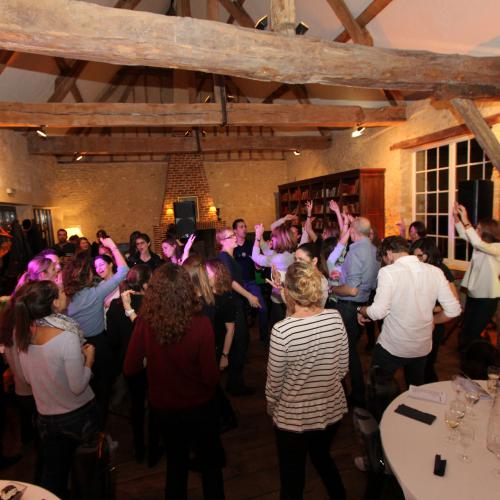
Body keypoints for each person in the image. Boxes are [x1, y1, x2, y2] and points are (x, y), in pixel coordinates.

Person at [124, 264, 225, 500]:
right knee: (210, 467)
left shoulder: (145, 323)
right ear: (187, 290)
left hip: (164, 407)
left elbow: (130, 367)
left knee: (176, 467)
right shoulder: (201, 324)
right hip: (200, 406)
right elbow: (211, 377)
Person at [266, 261, 348, 500]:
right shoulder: (335, 317)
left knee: (292, 478)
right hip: (331, 410)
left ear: (289, 292)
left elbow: (274, 384)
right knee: (322, 458)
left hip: (293, 418)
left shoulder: (282, 331)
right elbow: (342, 368)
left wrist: (272, 406)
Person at [13, 280, 99, 499]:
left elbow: (28, 378)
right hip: (77, 416)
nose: (65, 293)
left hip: (45, 417)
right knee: (86, 473)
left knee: (54, 477)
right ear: (53, 302)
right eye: (60, 291)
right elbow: (77, 386)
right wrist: (89, 359)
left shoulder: (23, 334)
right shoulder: (66, 336)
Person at [357, 236, 461, 387]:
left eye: (384, 259)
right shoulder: (436, 271)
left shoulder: (388, 272)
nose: (385, 263)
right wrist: (433, 320)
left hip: (393, 346)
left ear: (389, 253)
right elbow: (453, 310)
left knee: (379, 390)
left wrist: (361, 309)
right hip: (421, 347)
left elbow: (378, 312)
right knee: (415, 391)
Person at [63, 237, 128, 425]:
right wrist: (112, 246)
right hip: (99, 345)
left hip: (76, 346)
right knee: (103, 387)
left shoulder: (66, 297)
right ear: (87, 276)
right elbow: (123, 270)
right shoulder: (95, 293)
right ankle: (100, 426)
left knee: (86, 387)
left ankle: (89, 424)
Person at [106, 264, 156, 464]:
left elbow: (112, 341)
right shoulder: (153, 305)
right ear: (145, 284)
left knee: (135, 405)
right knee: (154, 403)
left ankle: (139, 449)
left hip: (130, 362)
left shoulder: (116, 305)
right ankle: (153, 449)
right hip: (152, 362)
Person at [330, 217, 380, 407]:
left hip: (348, 307)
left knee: (347, 352)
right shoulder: (375, 251)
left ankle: (357, 393)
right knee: (351, 350)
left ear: (352, 232)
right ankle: (357, 391)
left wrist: (333, 289)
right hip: (362, 306)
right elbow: (373, 284)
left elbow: (351, 290)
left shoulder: (355, 251)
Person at [216, 227, 260, 396]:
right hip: (232, 304)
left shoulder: (228, 256)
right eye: (231, 236)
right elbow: (230, 281)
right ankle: (236, 385)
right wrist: (249, 296)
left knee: (240, 342)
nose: (235, 237)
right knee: (240, 343)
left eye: (234, 235)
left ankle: (234, 382)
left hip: (235, 303)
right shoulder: (223, 257)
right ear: (222, 241)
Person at [410, 237, 458, 382]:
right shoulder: (418, 269)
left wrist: (433, 310)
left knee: (427, 365)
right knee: (415, 364)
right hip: (417, 323)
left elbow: (454, 300)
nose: (417, 260)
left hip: (434, 324)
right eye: (414, 256)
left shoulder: (440, 269)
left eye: (420, 256)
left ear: (430, 253)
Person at [453, 203, 500, 351]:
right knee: (466, 328)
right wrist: (456, 219)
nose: (475, 230)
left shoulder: (496, 247)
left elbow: (477, 243)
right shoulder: (480, 244)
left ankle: (472, 358)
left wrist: (466, 219)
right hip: (474, 294)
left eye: (478, 228)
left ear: (487, 231)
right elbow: (465, 235)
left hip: (487, 297)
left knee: (474, 331)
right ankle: (465, 355)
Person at [252, 224, 295, 329]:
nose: (271, 240)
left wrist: (257, 238)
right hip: (289, 298)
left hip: (281, 301)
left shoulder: (279, 258)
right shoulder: (289, 254)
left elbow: (255, 257)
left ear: (280, 240)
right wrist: (261, 235)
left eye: (273, 238)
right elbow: (267, 251)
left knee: (278, 328)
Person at [232, 219, 268, 342]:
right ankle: (244, 340)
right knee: (240, 314)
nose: (244, 229)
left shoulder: (251, 244)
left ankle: (264, 338)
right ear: (235, 231)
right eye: (241, 227)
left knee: (263, 309)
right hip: (238, 285)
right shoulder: (232, 247)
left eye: (245, 226)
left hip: (251, 282)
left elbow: (257, 264)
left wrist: (258, 266)